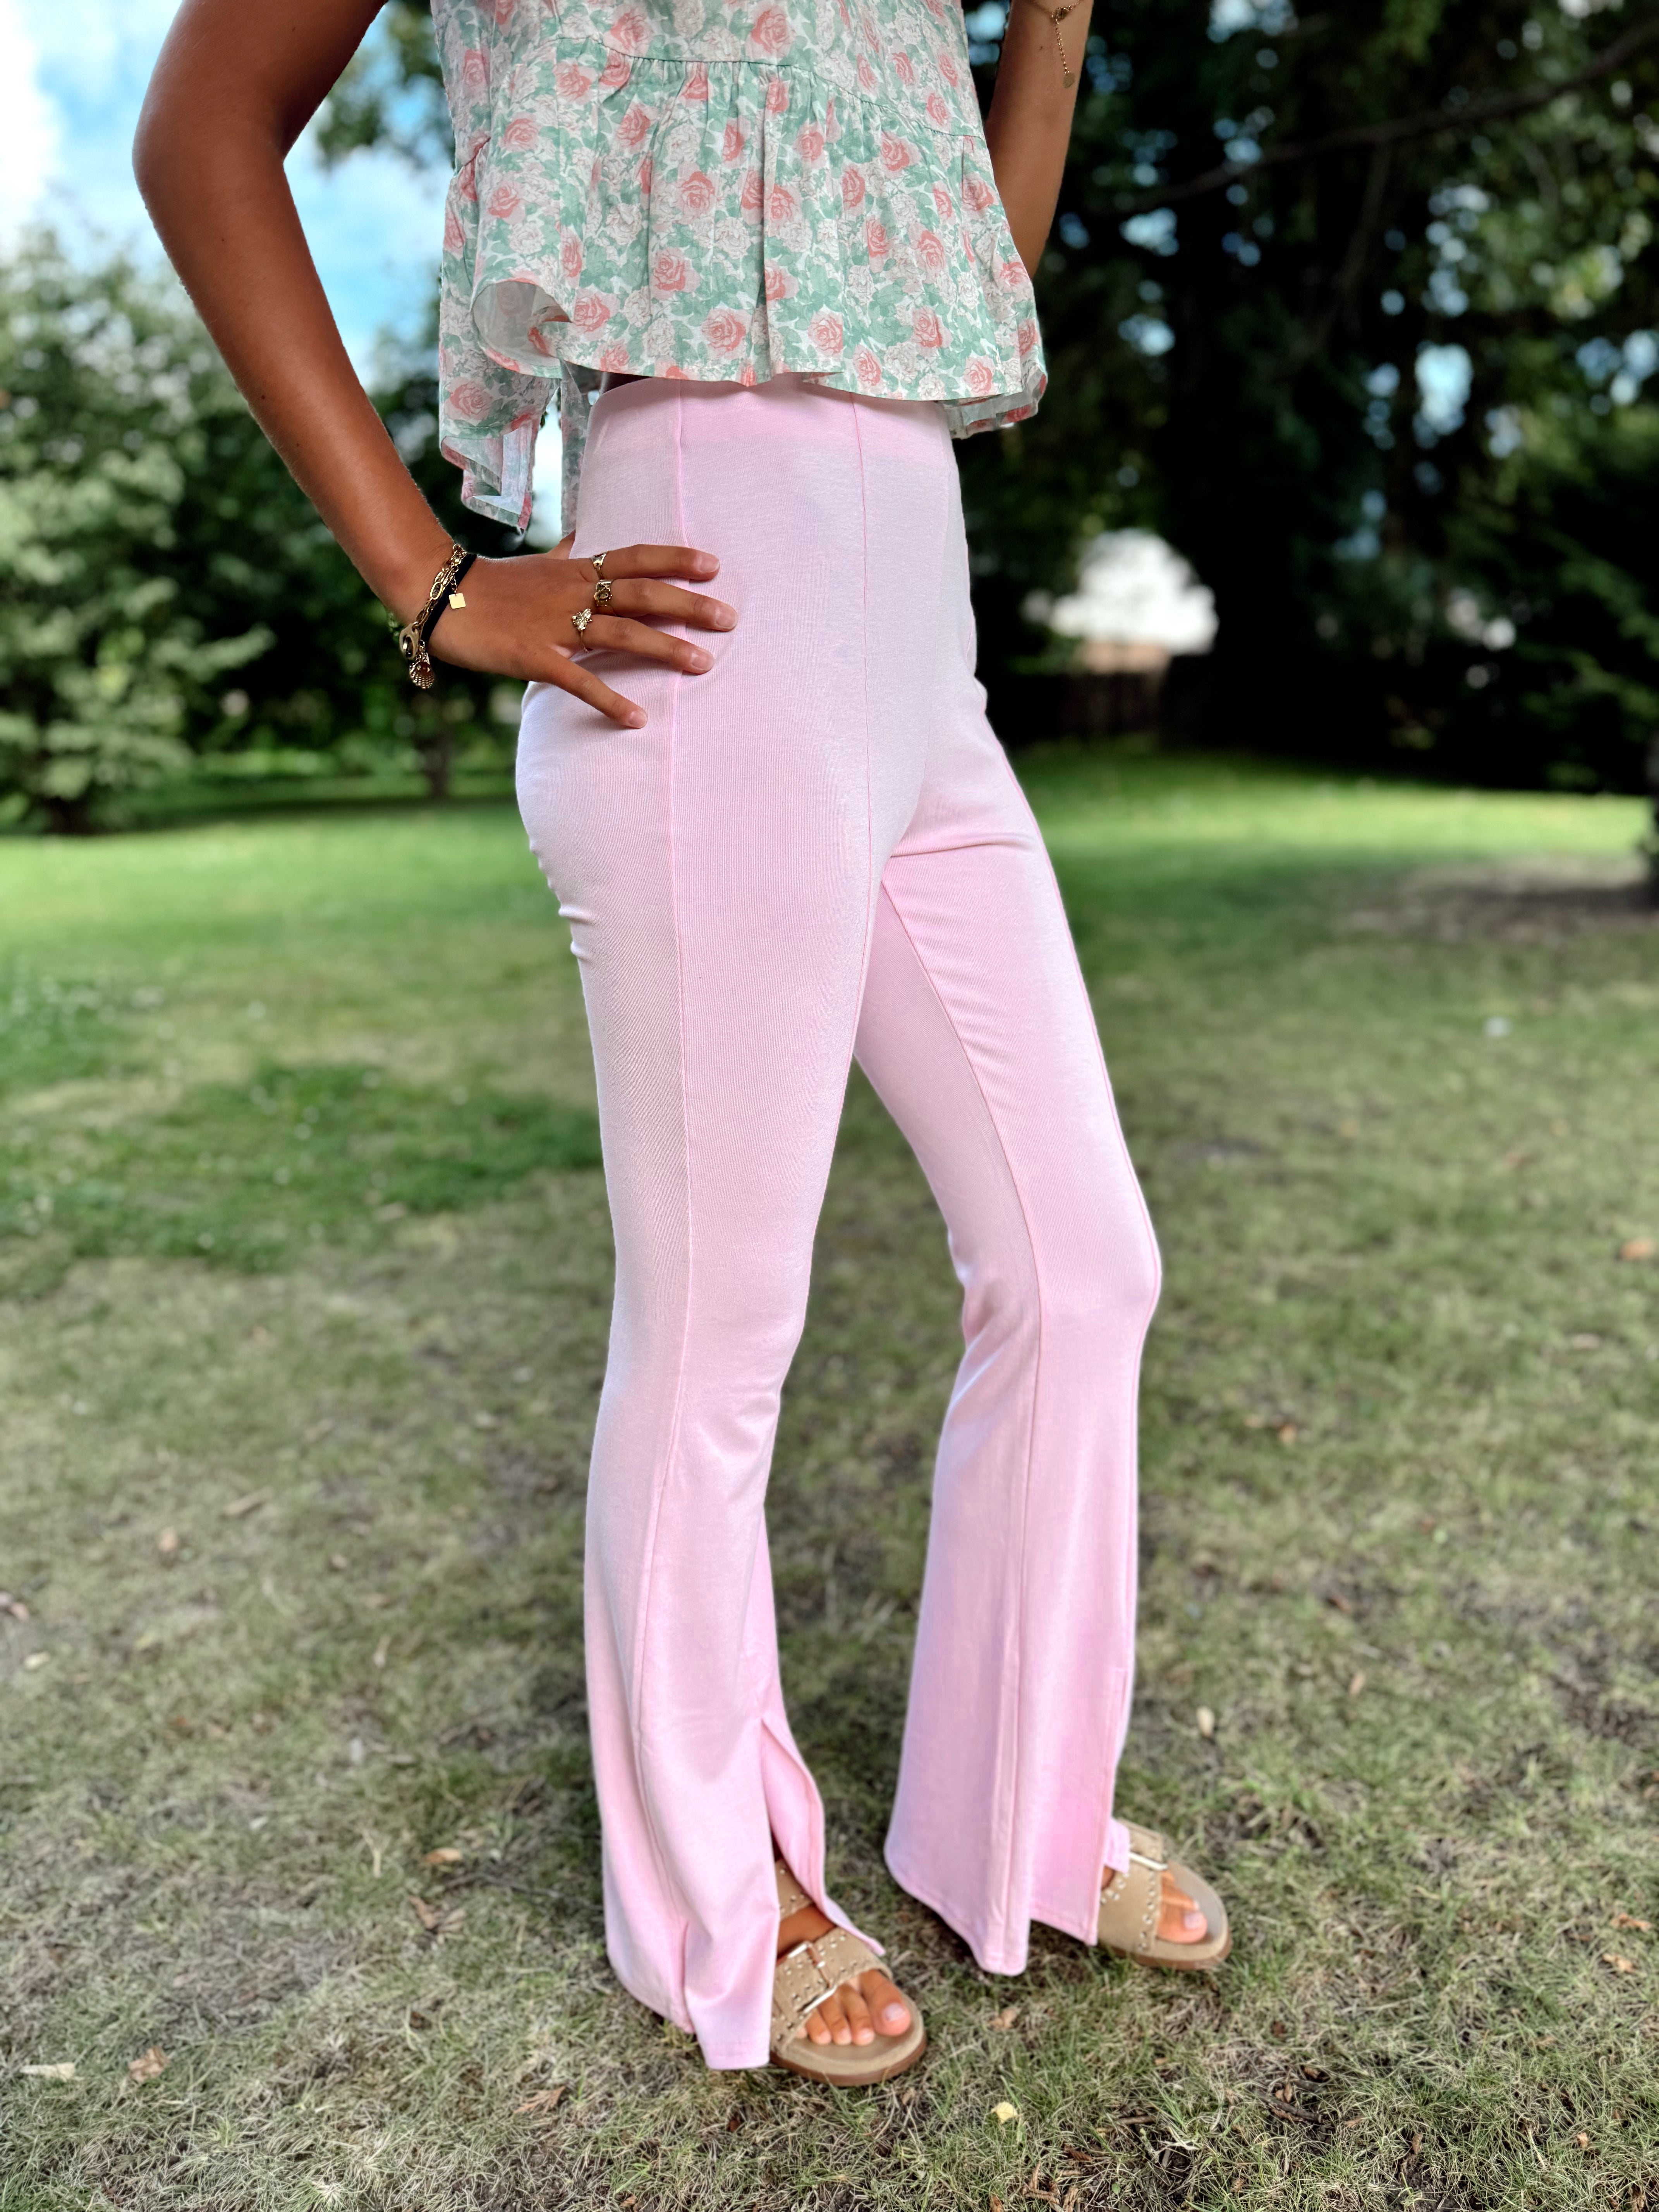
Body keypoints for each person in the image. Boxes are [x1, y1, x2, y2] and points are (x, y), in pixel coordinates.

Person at [136, 0, 1231, 2090]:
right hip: (701, 611)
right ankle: (721, 1898)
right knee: (724, 1330)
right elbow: (202, 132)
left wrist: (1054, 24)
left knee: (1082, 1263)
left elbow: (956, 275)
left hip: (922, 643)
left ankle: (1018, 1815)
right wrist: (434, 578)